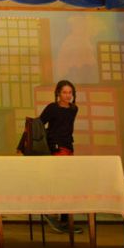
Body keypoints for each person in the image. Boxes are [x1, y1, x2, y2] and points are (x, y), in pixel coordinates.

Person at [38, 79, 82, 234]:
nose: (68, 95)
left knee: (67, 184)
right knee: (60, 182)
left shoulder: (74, 109)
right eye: (64, 92)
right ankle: (53, 215)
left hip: (68, 147)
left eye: (70, 92)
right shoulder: (52, 108)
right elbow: (38, 124)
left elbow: (66, 129)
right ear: (58, 93)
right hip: (56, 148)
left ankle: (64, 219)